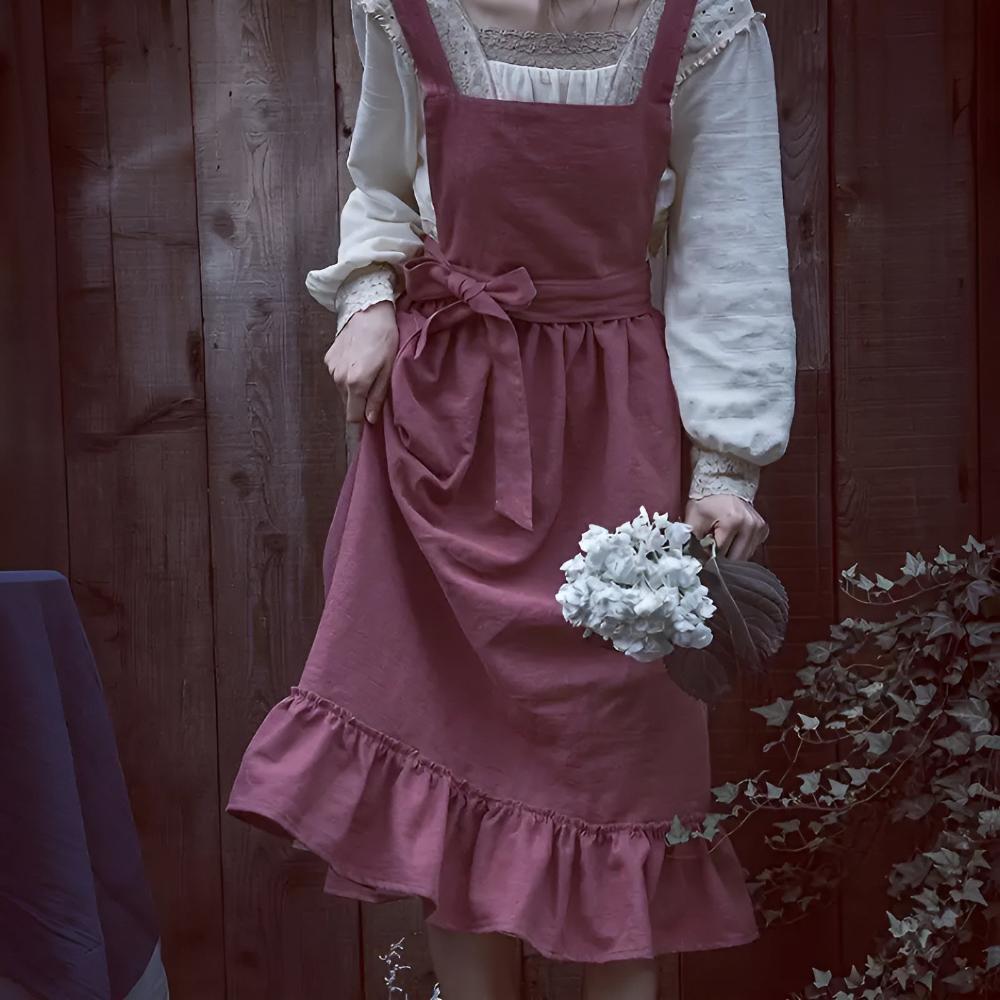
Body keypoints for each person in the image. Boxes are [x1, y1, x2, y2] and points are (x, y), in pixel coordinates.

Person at [226, 0, 797, 997]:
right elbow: (379, 185)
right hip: (443, 430)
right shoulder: (412, 14)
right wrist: (370, 298)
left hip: (617, 444)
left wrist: (723, 463)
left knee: (619, 784)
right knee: (449, 766)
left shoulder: (699, 26)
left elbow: (731, 246)